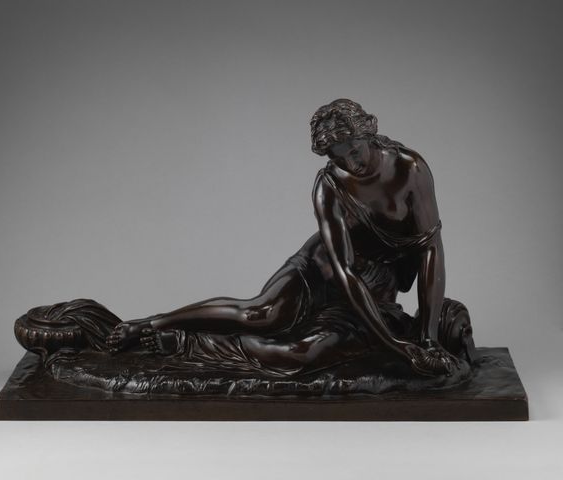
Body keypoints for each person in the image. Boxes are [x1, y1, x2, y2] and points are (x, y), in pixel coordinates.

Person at [105, 99, 462, 376]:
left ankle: (190, 344)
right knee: (260, 315)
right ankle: (152, 324)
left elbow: (430, 250)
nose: (352, 164)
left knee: (300, 354)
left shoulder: (409, 169)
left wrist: (428, 339)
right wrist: (396, 346)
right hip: (323, 267)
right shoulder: (328, 185)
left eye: (355, 150)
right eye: (339, 158)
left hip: (376, 283)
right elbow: (344, 271)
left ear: (367, 132)